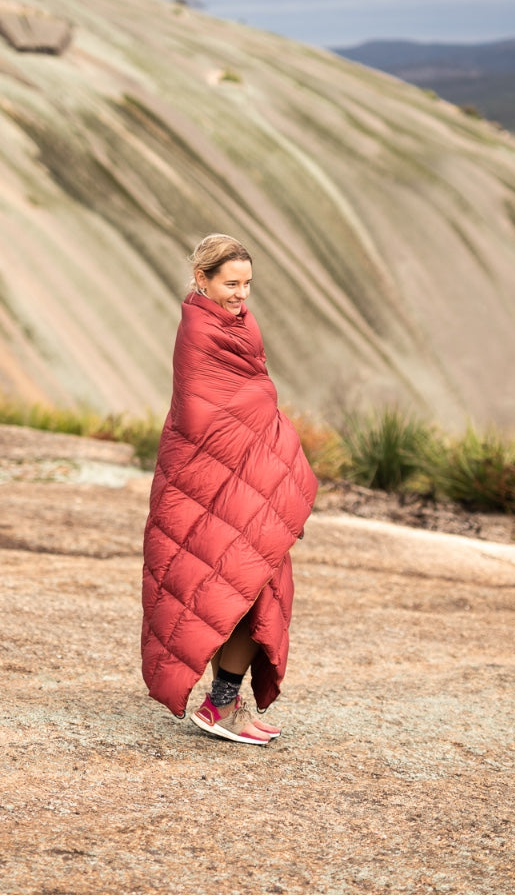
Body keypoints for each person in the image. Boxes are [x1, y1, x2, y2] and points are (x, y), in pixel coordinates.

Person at [140, 233, 319, 745]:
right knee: (237, 586)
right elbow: (201, 414)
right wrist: (262, 410)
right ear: (203, 279)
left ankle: (229, 703)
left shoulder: (238, 322)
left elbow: (252, 390)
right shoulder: (199, 330)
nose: (241, 293)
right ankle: (219, 708)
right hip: (211, 483)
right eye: (231, 283)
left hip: (243, 479)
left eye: (248, 284)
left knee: (247, 589)